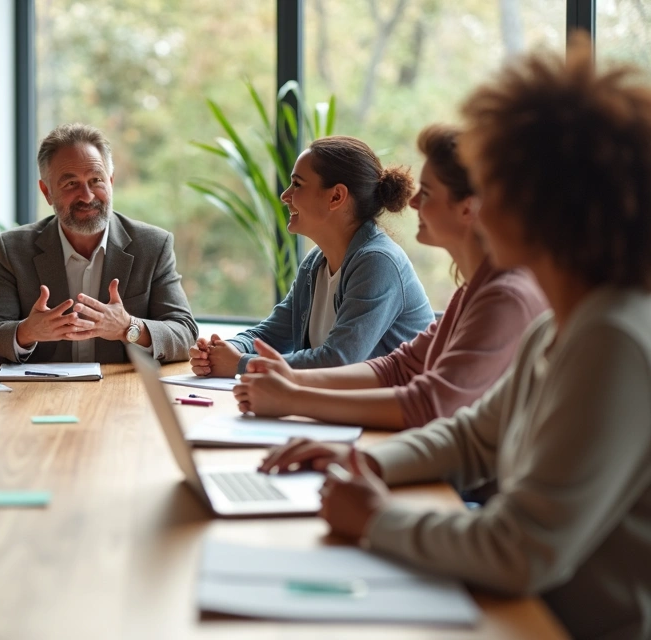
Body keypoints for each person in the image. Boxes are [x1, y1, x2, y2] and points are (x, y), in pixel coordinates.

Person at [260, 40, 651, 639]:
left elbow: (521, 549)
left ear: (543, 207)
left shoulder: (613, 340)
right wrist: (359, 459)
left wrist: (376, 518)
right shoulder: (560, 325)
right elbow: (472, 436)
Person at [233, 124, 547, 429]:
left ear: (467, 209)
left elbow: (428, 405)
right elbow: (399, 367)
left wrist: (292, 397)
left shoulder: (504, 296)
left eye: (426, 192)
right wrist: (288, 381)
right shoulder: (472, 292)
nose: (411, 202)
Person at [188, 136, 434, 376]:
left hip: (394, 414)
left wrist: (241, 364)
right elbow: (271, 335)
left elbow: (338, 362)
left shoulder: (378, 262)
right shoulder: (316, 262)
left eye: (297, 184)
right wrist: (225, 350)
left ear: (336, 197)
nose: (285, 196)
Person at [0, 123, 198, 363]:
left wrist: (128, 327)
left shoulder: (152, 245)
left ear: (110, 182)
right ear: (46, 192)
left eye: (96, 180)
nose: (87, 196)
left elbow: (185, 334)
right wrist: (27, 331)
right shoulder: (14, 249)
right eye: (70, 184)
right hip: (42, 394)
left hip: (122, 394)